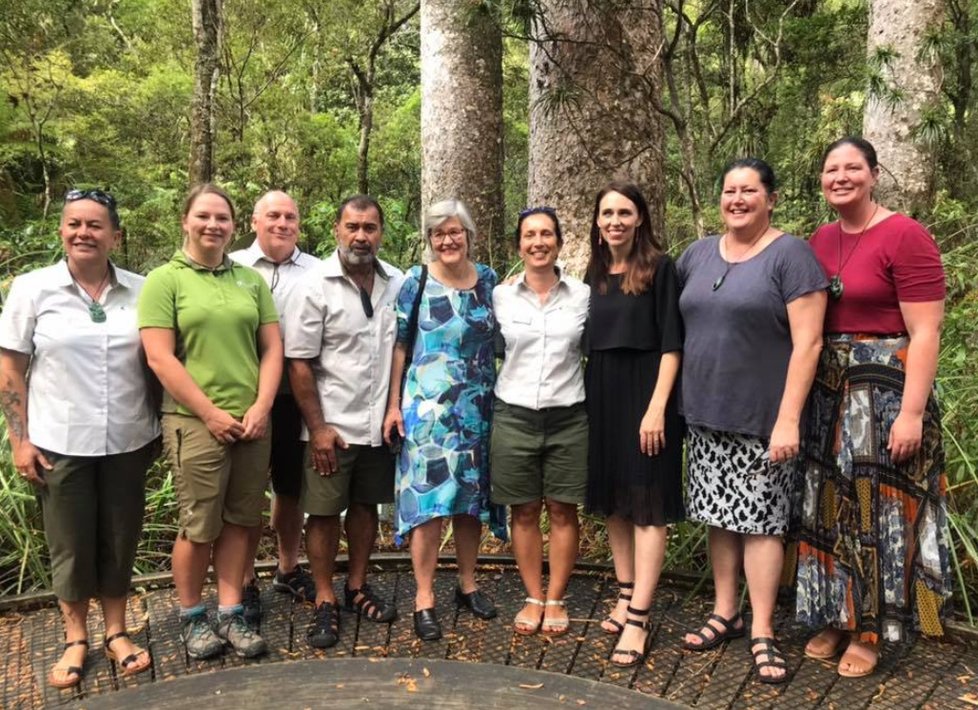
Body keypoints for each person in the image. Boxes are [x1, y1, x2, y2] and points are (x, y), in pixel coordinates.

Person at [794, 137, 951, 678]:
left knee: (877, 513)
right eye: (831, 168)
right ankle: (838, 614)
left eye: (852, 168)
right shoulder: (820, 239)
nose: (841, 176)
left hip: (883, 398)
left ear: (874, 174)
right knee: (830, 507)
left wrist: (911, 412)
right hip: (828, 396)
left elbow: (927, 331)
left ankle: (874, 629)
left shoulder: (905, 235)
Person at [0, 189, 160, 687]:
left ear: (115, 234)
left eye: (95, 225)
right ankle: (75, 638)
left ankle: (116, 631)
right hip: (59, 443)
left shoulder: (143, 289)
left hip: (128, 440)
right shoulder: (33, 289)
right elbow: (10, 367)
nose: (83, 233)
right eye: (74, 224)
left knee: (119, 539)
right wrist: (19, 439)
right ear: (62, 231)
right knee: (69, 545)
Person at [677, 159, 826, 684]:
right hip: (705, 414)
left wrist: (788, 419)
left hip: (763, 418)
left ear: (771, 198)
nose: (737, 199)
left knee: (761, 524)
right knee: (720, 516)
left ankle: (763, 627)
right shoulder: (696, 254)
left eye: (749, 191)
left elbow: (809, 343)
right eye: (729, 191)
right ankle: (726, 611)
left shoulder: (791, 255)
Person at [139, 183, 282, 660]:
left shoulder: (249, 280)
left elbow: (272, 348)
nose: (212, 225)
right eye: (203, 216)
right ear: (186, 221)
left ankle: (231, 612)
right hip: (195, 423)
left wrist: (262, 406)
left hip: (251, 424)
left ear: (234, 227)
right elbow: (160, 358)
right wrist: (210, 413)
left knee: (242, 522)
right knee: (199, 526)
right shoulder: (165, 280)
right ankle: (191, 617)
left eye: (222, 218)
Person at [383, 199, 505, 642]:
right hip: (426, 414)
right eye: (439, 234)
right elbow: (400, 346)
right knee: (430, 505)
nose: (448, 240)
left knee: (470, 503)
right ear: (429, 239)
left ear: (469, 235)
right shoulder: (416, 281)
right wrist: (394, 405)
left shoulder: (489, 280)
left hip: (477, 411)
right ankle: (424, 596)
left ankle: (467, 584)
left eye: (455, 232)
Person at [284, 195, 402, 649]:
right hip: (331, 426)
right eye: (352, 226)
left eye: (370, 228)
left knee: (367, 506)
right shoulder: (315, 285)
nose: (361, 236)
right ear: (336, 229)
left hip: (378, 424)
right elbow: (299, 362)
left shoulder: (397, 282)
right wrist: (317, 428)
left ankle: (355, 586)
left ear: (381, 233)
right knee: (325, 511)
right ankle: (325, 599)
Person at [583, 182, 684, 668]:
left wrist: (657, 407)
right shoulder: (596, 272)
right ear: (597, 222)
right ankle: (624, 594)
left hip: (647, 391)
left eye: (624, 212)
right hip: (602, 391)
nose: (615, 221)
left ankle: (641, 616)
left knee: (646, 504)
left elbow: (672, 343)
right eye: (607, 213)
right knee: (615, 503)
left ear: (640, 218)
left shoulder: (660, 268)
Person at [490, 207, 589, 637]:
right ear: (519, 245)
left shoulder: (583, 296)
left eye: (546, 234)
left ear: (559, 242)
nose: (538, 242)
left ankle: (557, 597)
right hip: (513, 415)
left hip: (569, 415)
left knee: (564, 509)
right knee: (525, 509)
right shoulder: (500, 296)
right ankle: (533, 595)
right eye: (529, 235)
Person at [230, 190, 320, 623]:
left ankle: (287, 566)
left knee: (290, 489)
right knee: (246, 493)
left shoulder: (320, 272)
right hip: (242, 397)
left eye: (290, 217)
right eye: (273, 216)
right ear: (254, 221)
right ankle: (244, 579)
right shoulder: (231, 268)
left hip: (297, 398)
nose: (282, 224)